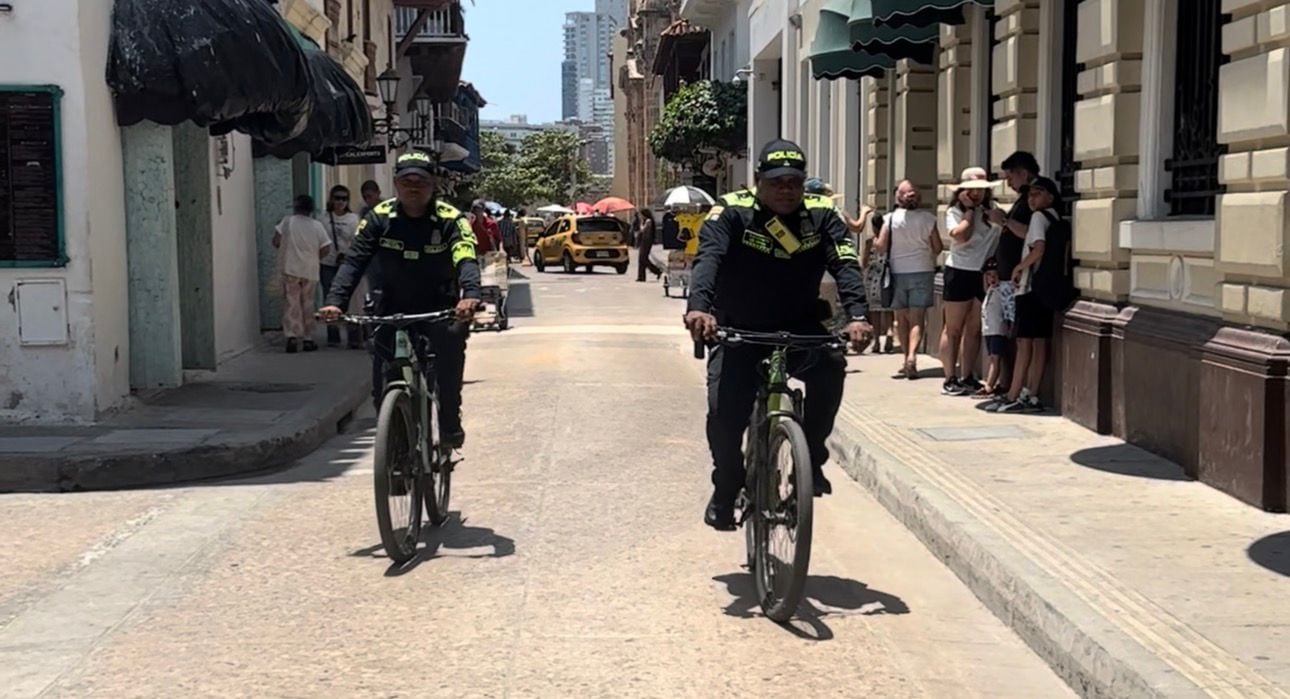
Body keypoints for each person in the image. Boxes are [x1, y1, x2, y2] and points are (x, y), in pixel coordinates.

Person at [684, 139, 873, 530]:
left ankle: (811, 458)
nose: (785, 189)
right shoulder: (732, 210)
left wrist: (857, 315)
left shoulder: (822, 213)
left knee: (832, 366)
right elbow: (709, 259)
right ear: (758, 182)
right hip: (738, 327)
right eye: (776, 182)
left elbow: (846, 264)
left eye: (794, 182)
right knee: (724, 415)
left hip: (799, 325)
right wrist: (699, 308)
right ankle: (726, 487)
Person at [320, 152, 481, 448]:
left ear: (433, 185)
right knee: (383, 377)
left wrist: (470, 296)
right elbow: (354, 262)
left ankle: (449, 423)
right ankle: (395, 447)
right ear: (396, 184)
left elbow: (466, 257)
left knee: (448, 362)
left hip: (441, 306)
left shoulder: (450, 219)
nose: (414, 188)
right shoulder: (379, 218)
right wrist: (335, 302)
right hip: (390, 305)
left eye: (421, 181)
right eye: (407, 181)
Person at [991, 176, 1062, 414]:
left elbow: (1038, 247)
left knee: (1024, 343)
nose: (1032, 199)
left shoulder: (1039, 217)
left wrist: (1020, 267)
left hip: (1030, 288)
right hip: (1046, 289)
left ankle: (1014, 394)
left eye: (1037, 194)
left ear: (1050, 197)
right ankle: (1032, 394)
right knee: (1040, 343)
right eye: (1030, 195)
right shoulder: (1055, 217)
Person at [939, 167, 1001, 395]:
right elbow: (961, 235)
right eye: (971, 190)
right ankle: (949, 377)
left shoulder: (993, 210)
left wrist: (997, 219)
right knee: (953, 328)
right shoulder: (954, 212)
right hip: (959, 271)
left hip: (982, 273)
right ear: (962, 191)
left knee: (974, 329)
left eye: (981, 190)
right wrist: (969, 211)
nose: (976, 194)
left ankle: (967, 376)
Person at [874, 180, 942, 379]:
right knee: (917, 318)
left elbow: (881, 247)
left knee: (900, 319)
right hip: (923, 271)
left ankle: (905, 359)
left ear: (898, 198)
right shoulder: (929, 219)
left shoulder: (890, 218)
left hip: (897, 273)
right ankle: (913, 356)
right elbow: (937, 247)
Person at [985, 151, 1040, 388]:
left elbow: (1030, 234)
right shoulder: (1021, 200)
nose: (1008, 182)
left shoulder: (1032, 200)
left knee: (1020, 336)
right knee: (1010, 332)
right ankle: (1007, 384)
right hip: (1008, 279)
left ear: (1023, 173)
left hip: (1021, 281)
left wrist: (1004, 221)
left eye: (1011, 177)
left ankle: (1017, 389)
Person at [273, 195, 332, 353]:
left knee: (292, 304)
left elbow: (276, 241)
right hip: (310, 270)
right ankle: (308, 338)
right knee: (308, 304)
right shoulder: (317, 226)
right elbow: (326, 247)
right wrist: (314, 257)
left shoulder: (287, 222)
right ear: (311, 209)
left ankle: (292, 336)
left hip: (290, 268)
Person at [319, 185, 362, 349]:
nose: (341, 202)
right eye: (337, 198)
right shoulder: (323, 219)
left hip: (347, 264)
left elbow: (359, 241)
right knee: (330, 299)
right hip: (328, 263)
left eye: (344, 198)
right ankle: (333, 337)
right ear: (331, 199)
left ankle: (354, 337)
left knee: (351, 301)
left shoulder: (353, 219)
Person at [860, 211, 896, 354]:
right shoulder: (890, 241)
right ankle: (890, 332)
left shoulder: (870, 242)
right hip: (888, 276)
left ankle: (876, 341)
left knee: (874, 310)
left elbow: (864, 262)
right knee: (888, 308)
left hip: (872, 277)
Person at [979, 257, 1013, 398]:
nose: (992, 279)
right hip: (988, 329)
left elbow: (1009, 308)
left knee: (996, 358)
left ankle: (989, 385)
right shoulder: (989, 291)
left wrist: (1010, 325)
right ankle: (1000, 383)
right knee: (994, 357)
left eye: (994, 275)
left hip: (998, 329)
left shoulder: (1002, 290)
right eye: (988, 275)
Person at [635, 207, 662, 281]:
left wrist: (640, 223)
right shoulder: (645, 221)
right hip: (643, 241)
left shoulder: (648, 221)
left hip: (647, 241)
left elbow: (642, 229)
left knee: (643, 259)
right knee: (641, 259)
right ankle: (641, 276)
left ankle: (656, 270)